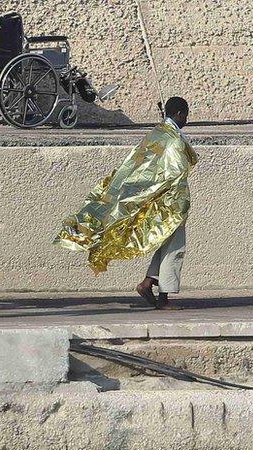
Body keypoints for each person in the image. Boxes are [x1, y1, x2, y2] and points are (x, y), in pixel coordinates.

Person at [55, 96, 197, 310]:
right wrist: (181, 205)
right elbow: (175, 175)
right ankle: (163, 298)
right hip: (169, 205)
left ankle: (148, 283)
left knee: (165, 244)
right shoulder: (173, 140)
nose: (186, 119)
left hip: (157, 203)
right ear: (179, 114)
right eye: (185, 115)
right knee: (174, 248)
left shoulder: (156, 134)